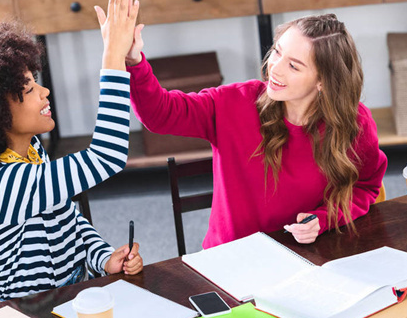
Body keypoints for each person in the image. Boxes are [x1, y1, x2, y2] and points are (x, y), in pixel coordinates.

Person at [0, 0, 143, 301]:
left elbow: (67, 219)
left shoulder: (28, 152)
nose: (45, 93)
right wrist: (113, 57)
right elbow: (107, 156)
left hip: (71, 299)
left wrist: (103, 257)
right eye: (28, 91)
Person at [124, 13, 387, 248]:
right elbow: (160, 114)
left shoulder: (354, 124)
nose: (275, 67)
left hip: (304, 255)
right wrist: (134, 61)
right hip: (231, 259)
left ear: (322, 82)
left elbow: (364, 186)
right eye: (277, 52)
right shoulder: (234, 102)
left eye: (294, 65)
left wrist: (323, 219)